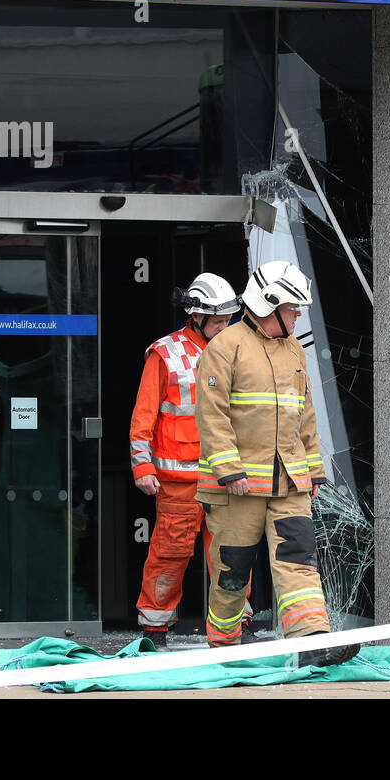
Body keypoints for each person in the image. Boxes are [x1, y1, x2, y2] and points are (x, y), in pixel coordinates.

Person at [195, 261, 358, 666]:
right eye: (293, 308)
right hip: (237, 487)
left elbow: (305, 415)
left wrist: (314, 470)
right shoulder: (225, 347)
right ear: (269, 305)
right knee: (233, 571)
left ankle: (312, 643)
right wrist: (229, 470)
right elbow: (212, 416)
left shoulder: (293, 350)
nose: (298, 314)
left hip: (290, 483)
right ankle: (224, 643)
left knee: (298, 561)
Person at [130, 272, 245, 648]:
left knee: (231, 555)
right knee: (170, 554)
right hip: (178, 482)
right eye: (217, 320)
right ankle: (155, 628)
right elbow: (143, 417)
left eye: (228, 319)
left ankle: (235, 626)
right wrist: (142, 467)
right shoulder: (165, 354)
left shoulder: (235, 350)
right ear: (195, 315)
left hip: (225, 478)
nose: (224, 325)